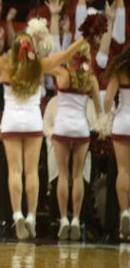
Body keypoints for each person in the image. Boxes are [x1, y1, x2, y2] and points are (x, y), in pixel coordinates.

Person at [0, 27, 87, 240]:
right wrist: (84, 38)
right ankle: (31, 218)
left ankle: (17, 213)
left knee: (15, 171)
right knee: (31, 172)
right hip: (32, 123)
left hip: (11, 122)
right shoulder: (40, 65)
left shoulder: (6, 65)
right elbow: (65, 55)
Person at [49, 42, 101, 240]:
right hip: (81, 128)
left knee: (63, 175)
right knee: (77, 176)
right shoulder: (91, 79)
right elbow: (98, 111)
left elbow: (47, 63)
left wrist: (65, 53)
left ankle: (63, 219)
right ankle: (77, 219)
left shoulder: (62, 74)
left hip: (62, 126)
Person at [104, 47, 130, 241]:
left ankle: (124, 213)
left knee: (123, 170)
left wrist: (110, 114)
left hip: (122, 121)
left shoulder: (119, 69)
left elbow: (107, 100)